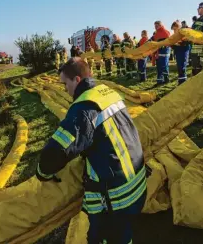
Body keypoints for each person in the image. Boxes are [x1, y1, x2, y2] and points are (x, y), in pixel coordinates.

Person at [36, 58, 147, 243]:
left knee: (102, 238)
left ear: (77, 80)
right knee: (123, 235)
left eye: (65, 84)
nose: (65, 90)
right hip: (137, 183)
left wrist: (43, 172)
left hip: (116, 199)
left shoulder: (83, 109)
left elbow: (57, 151)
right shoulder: (108, 93)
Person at [171, 21, 191, 85]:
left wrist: (180, 44)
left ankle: (183, 82)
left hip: (184, 51)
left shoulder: (184, 33)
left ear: (178, 27)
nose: (174, 31)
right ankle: (180, 81)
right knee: (179, 67)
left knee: (182, 66)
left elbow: (188, 42)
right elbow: (173, 45)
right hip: (178, 52)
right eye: (173, 29)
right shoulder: (174, 35)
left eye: (174, 29)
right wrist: (173, 45)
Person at [153, 21, 171, 85]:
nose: (155, 27)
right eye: (155, 26)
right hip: (158, 52)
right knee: (159, 67)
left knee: (164, 66)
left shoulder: (165, 32)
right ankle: (159, 81)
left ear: (160, 25)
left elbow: (168, 42)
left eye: (156, 25)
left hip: (164, 52)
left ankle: (166, 79)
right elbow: (154, 41)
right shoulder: (156, 33)